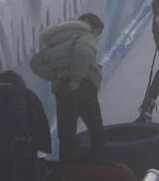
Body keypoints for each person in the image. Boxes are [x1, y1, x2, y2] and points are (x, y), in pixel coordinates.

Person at [29, 12, 106, 163]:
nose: (97, 38)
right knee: (95, 126)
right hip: (83, 85)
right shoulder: (85, 35)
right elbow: (82, 52)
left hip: (63, 89)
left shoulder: (55, 41)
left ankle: (66, 166)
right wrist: (77, 78)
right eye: (97, 33)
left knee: (66, 132)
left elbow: (35, 63)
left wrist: (55, 75)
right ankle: (98, 161)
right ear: (91, 28)